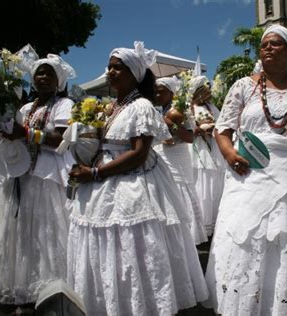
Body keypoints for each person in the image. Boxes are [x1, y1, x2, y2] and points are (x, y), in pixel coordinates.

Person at [67, 41, 208, 315]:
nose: (110, 72)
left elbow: (139, 153)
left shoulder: (141, 106)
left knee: (135, 248)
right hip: (103, 182)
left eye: (118, 68)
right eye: (109, 67)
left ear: (135, 74)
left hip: (133, 184)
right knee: (111, 248)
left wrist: (95, 172)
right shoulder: (111, 108)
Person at [204, 25, 287, 315]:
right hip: (248, 176)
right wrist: (229, 153)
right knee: (246, 241)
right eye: (264, 45)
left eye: (276, 44)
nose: (268, 49)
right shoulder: (243, 86)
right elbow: (222, 129)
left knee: (285, 242)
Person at [0, 51, 76, 306]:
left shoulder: (64, 105)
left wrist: (26, 133)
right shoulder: (26, 107)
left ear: (58, 81)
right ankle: (20, 287)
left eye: (49, 73)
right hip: (20, 173)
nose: (42, 77)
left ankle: (48, 289)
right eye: (39, 72)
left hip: (46, 175)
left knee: (44, 232)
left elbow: (61, 140)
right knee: (19, 231)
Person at [153, 76, 208, 245]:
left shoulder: (180, 110)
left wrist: (172, 125)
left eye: (161, 92)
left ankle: (186, 238)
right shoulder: (157, 111)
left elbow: (190, 137)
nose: (157, 95)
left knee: (179, 190)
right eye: (156, 92)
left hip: (177, 155)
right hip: (160, 155)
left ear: (172, 93)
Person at [188, 75, 226, 236]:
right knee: (200, 184)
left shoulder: (212, 107)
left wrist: (213, 128)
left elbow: (221, 123)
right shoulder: (188, 108)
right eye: (207, 90)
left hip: (213, 147)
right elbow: (186, 129)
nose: (210, 93)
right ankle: (200, 225)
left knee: (213, 184)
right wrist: (199, 130)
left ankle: (213, 222)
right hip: (197, 149)